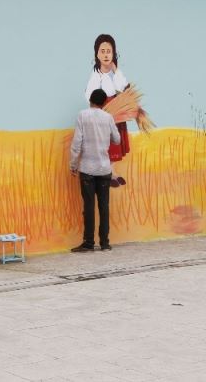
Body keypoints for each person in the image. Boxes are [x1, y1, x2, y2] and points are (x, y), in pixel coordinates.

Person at [70, 88, 122, 252]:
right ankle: (105, 243)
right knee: (104, 206)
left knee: (89, 206)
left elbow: (77, 143)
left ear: (90, 100)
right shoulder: (108, 117)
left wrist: (73, 165)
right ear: (104, 102)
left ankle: (89, 243)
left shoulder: (82, 115)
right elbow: (117, 139)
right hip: (104, 169)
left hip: (87, 169)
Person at [84, 34, 130, 187]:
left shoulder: (115, 73)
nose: (105, 55)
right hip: (104, 112)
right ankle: (106, 174)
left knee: (115, 145)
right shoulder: (96, 75)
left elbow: (124, 87)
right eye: (102, 51)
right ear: (97, 54)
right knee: (106, 145)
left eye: (108, 51)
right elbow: (89, 95)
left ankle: (112, 172)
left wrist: (116, 70)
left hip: (116, 112)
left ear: (114, 53)